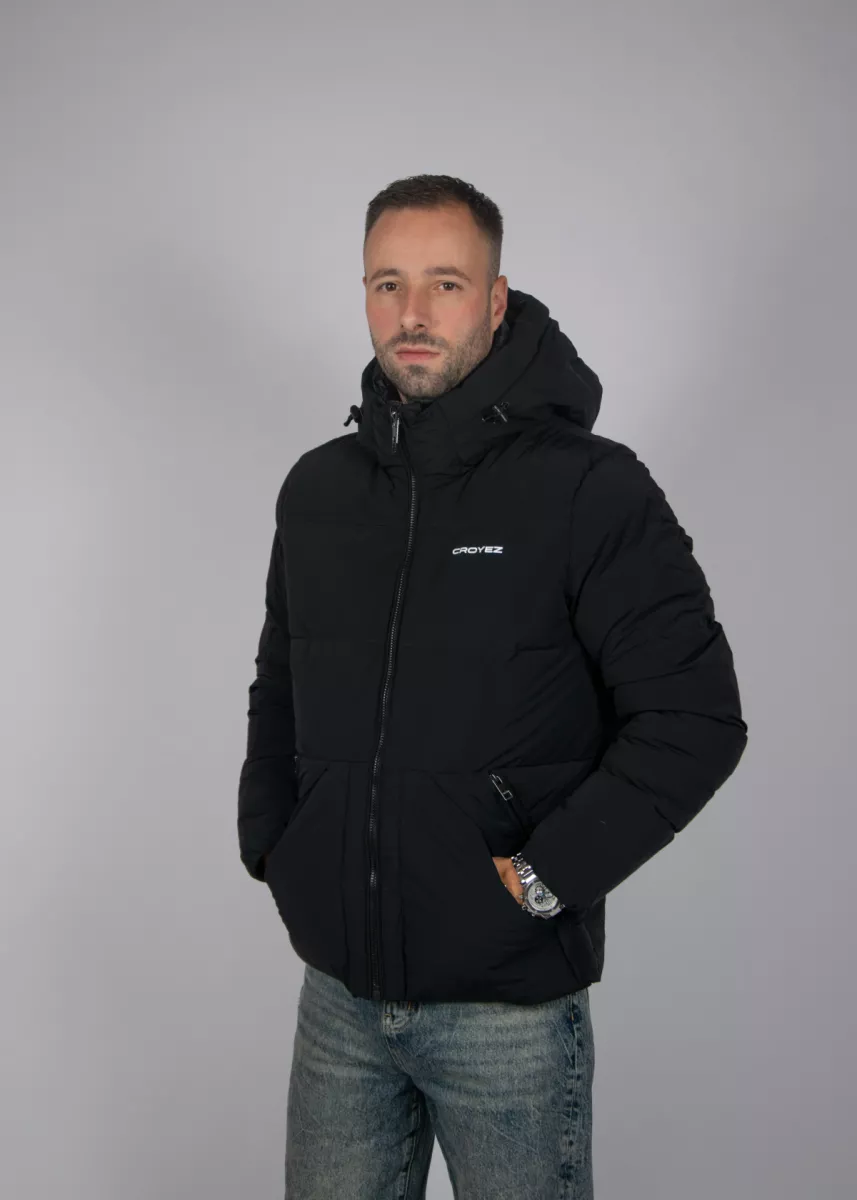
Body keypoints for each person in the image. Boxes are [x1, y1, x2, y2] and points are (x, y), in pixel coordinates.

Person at [237, 173, 748, 1198]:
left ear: (496, 298)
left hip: (506, 1016)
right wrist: (274, 843)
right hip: (339, 1001)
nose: (412, 314)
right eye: (387, 283)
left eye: (445, 283)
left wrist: (542, 878)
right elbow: (280, 676)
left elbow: (693, 717)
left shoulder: (588, 488)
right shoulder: (318, 490)